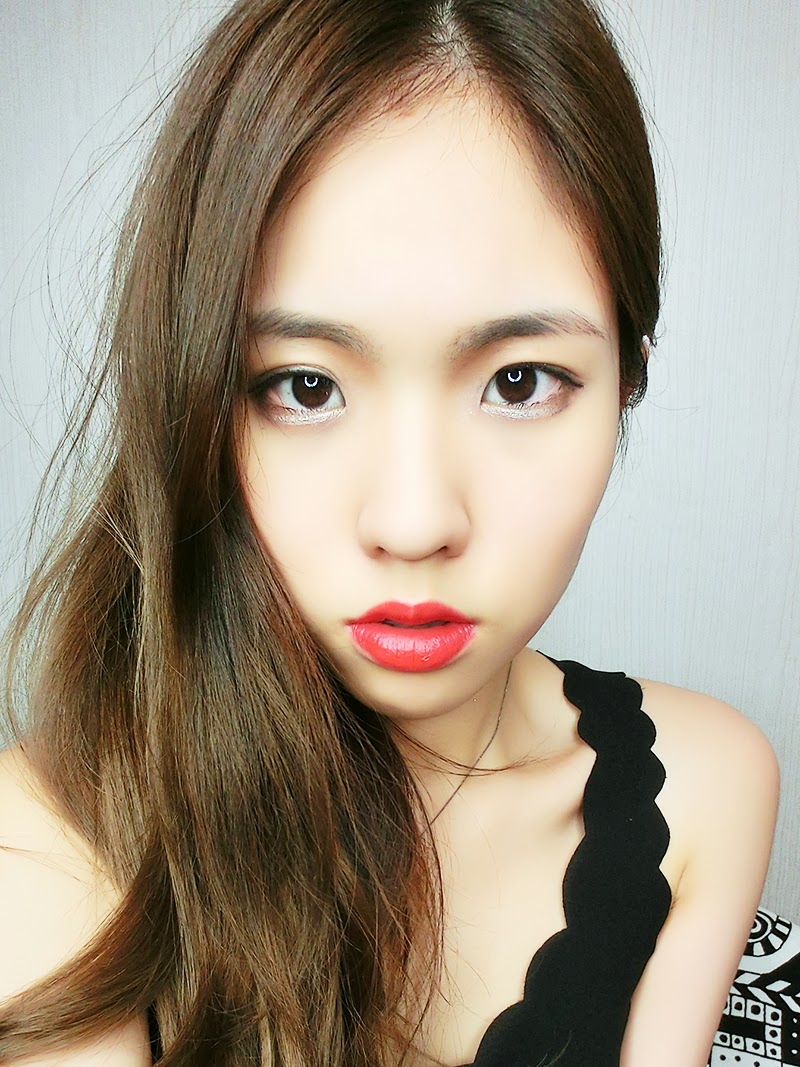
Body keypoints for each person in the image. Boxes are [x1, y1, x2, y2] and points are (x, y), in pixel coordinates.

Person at [0, 0, 780, 1065]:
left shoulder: (705, 782)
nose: (413, 523)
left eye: (520, 381)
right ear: (196, 394)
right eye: (305, 386)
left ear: (626, 380)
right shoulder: (50, 843)